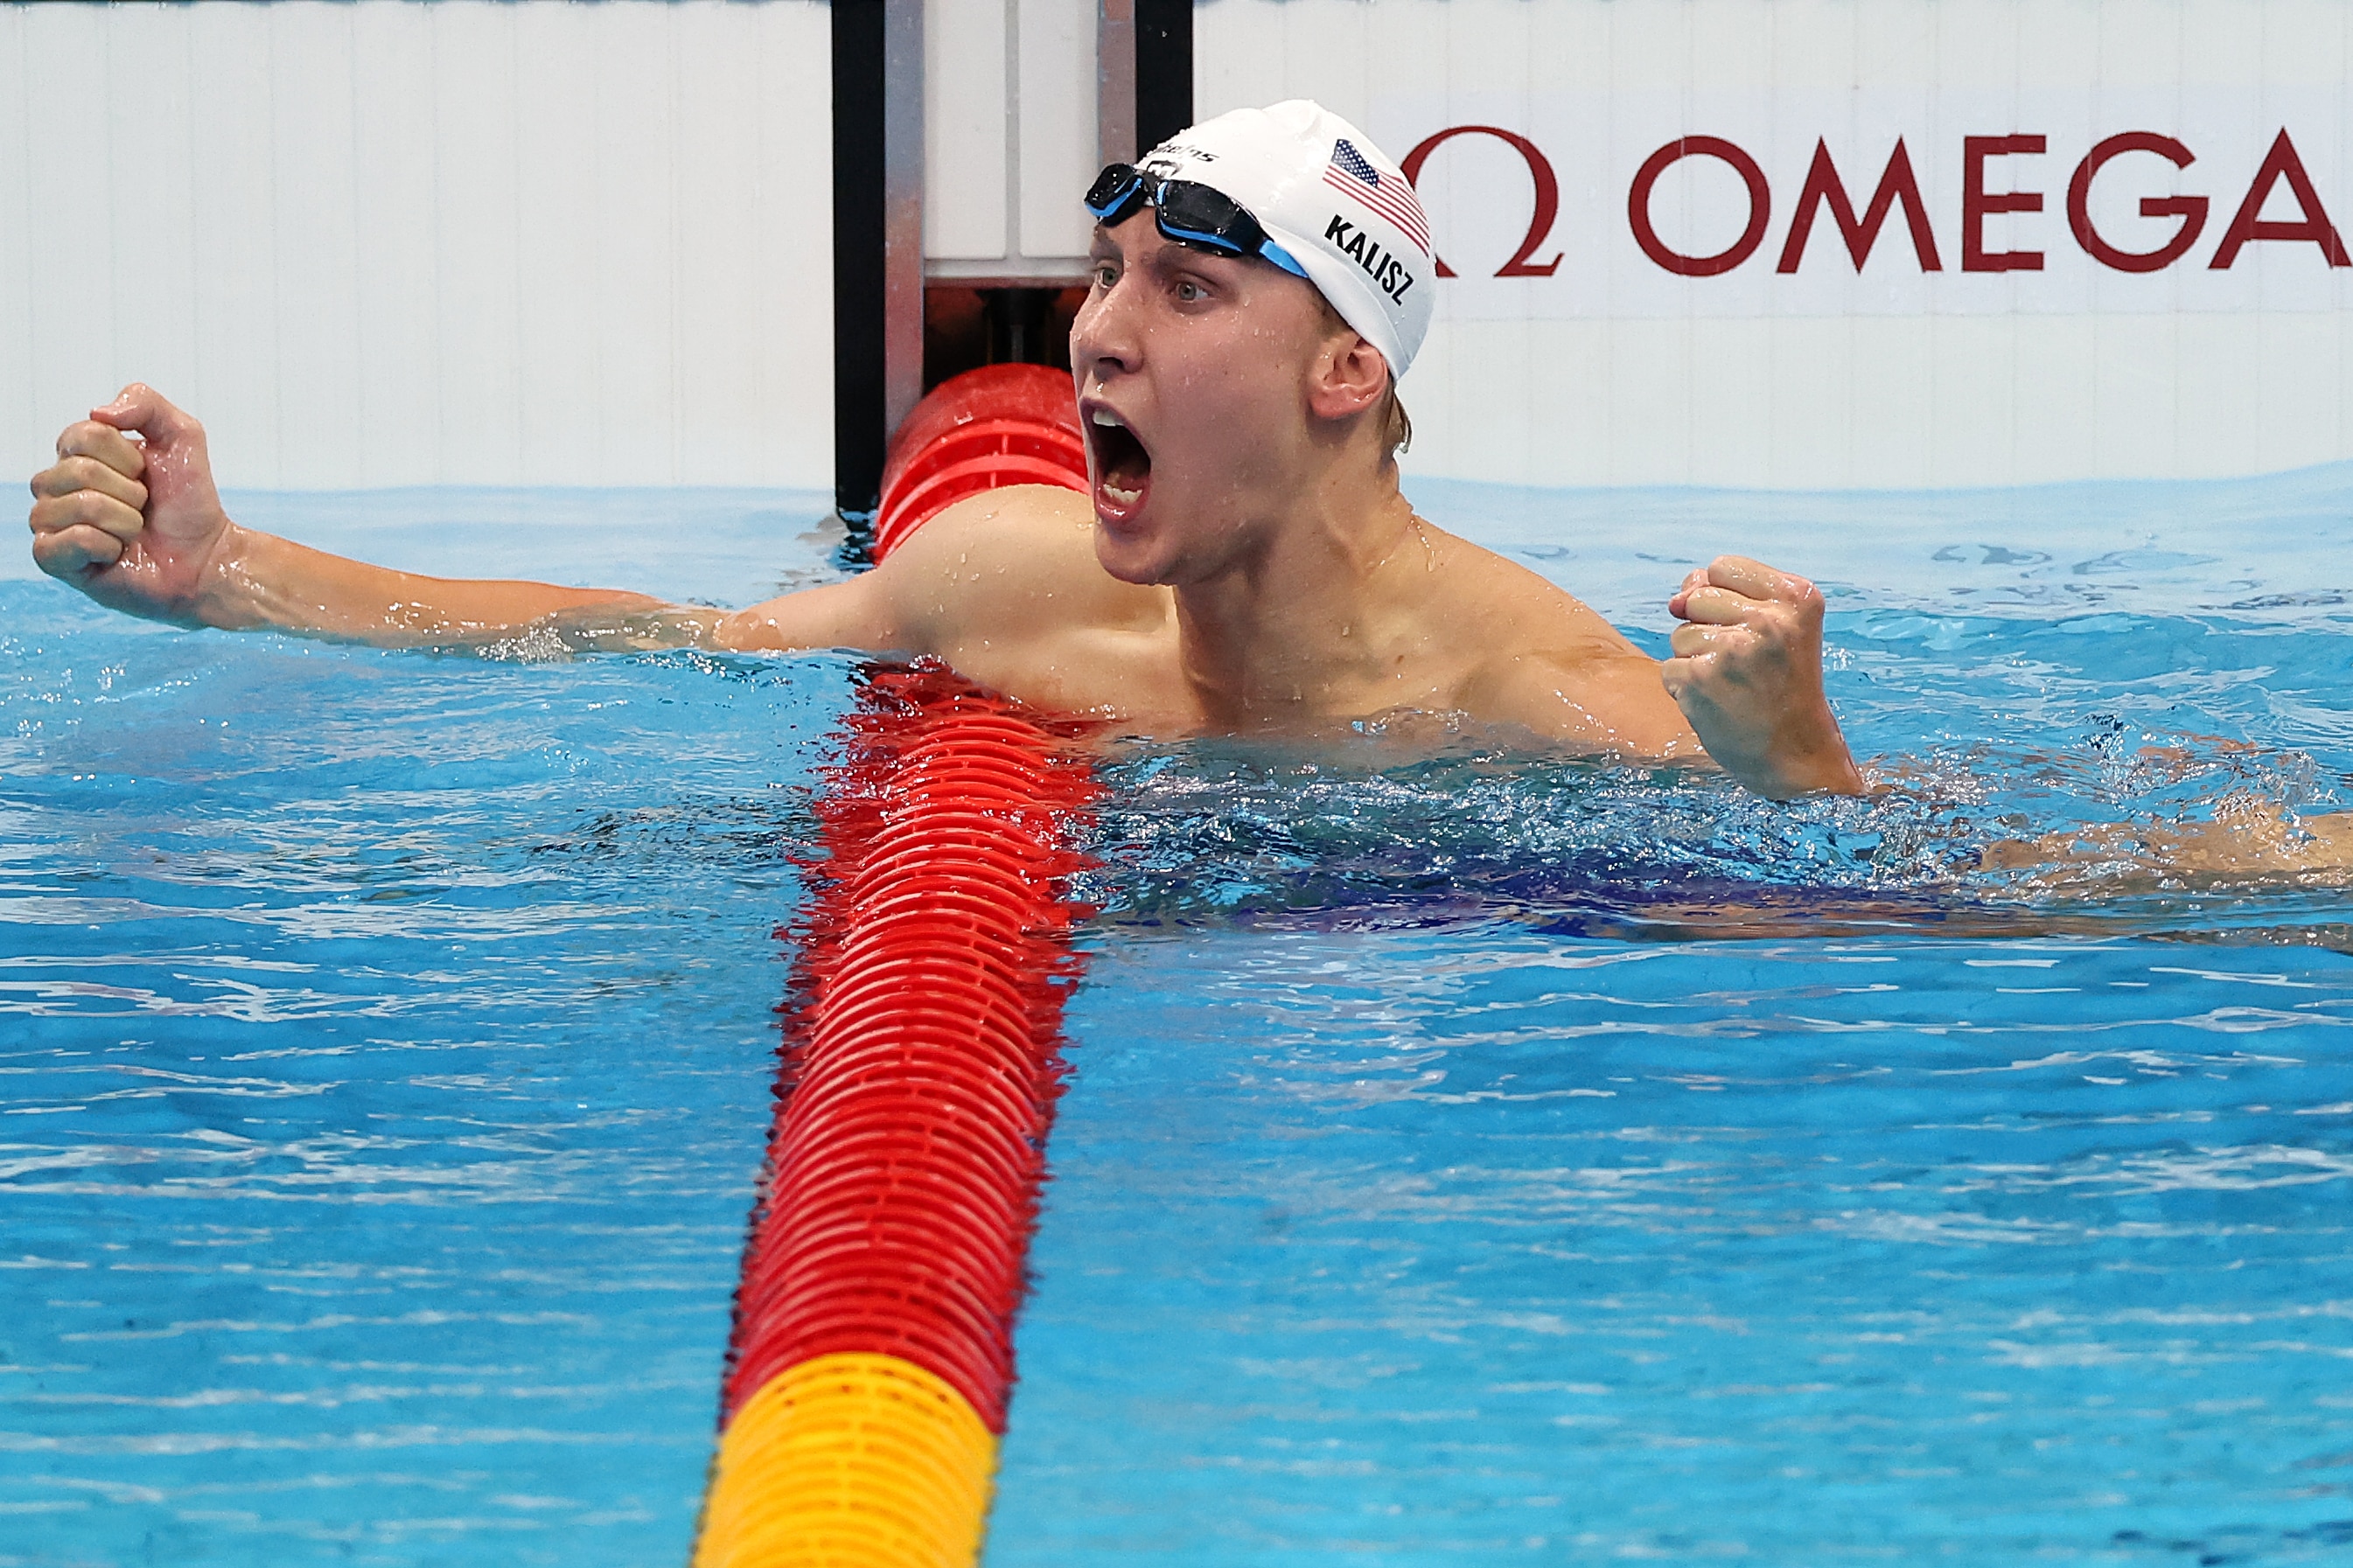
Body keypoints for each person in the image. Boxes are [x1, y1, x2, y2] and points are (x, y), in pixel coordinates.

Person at [10, 103, 1892, 802]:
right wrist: (229, 574)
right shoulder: (1005, 576)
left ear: (1342, 374)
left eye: (1184, 293)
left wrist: (1795, 765)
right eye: (1102, 278)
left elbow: (1975, 911)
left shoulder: (1544, 697)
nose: (1095, 332)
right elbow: (640, 638)